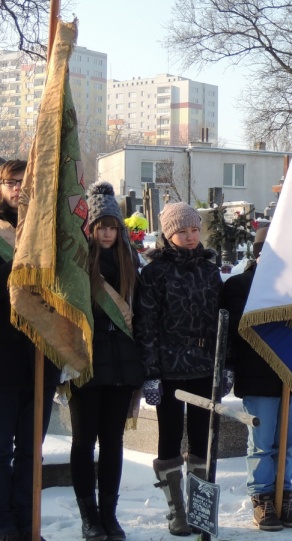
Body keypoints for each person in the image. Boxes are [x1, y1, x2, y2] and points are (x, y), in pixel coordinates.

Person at [135, 202, 223, 536]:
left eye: (194, 230)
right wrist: (151, 372)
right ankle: (178, 512)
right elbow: (146, 324)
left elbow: (221, 319)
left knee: (203, 438)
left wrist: (224, 364)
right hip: (169, 368)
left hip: (203, 366)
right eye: (182, 231)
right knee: (170, 436)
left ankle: (201, 511)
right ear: (169, 234)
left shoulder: (209, 268)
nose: (189, 237)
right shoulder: (154, 272)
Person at [70, 182, 144, 541]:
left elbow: (140, 316)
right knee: (84, 441)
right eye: (101, 227)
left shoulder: (132, 262)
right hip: (87, 363)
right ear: (91, 229)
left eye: (112, 227)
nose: (108, 233)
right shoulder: (78, 264)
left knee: (113, 441)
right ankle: (89, 516)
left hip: (123, 366)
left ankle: (109, 515)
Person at [221, 224, 292, 531]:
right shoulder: (239, 286)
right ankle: (262, 498)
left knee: (289, 441)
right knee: (262, 443)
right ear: (259, 254)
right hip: (258, 377)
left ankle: (284, 495)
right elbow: (234, 334)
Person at [0, 160, 59, 541]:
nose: (18, 187)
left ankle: (27, 520)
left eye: (25, 181)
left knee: (30, 448)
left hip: (40, 354)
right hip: (2, 357)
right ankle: (4, 521)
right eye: (10, 182)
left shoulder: (45, 231)